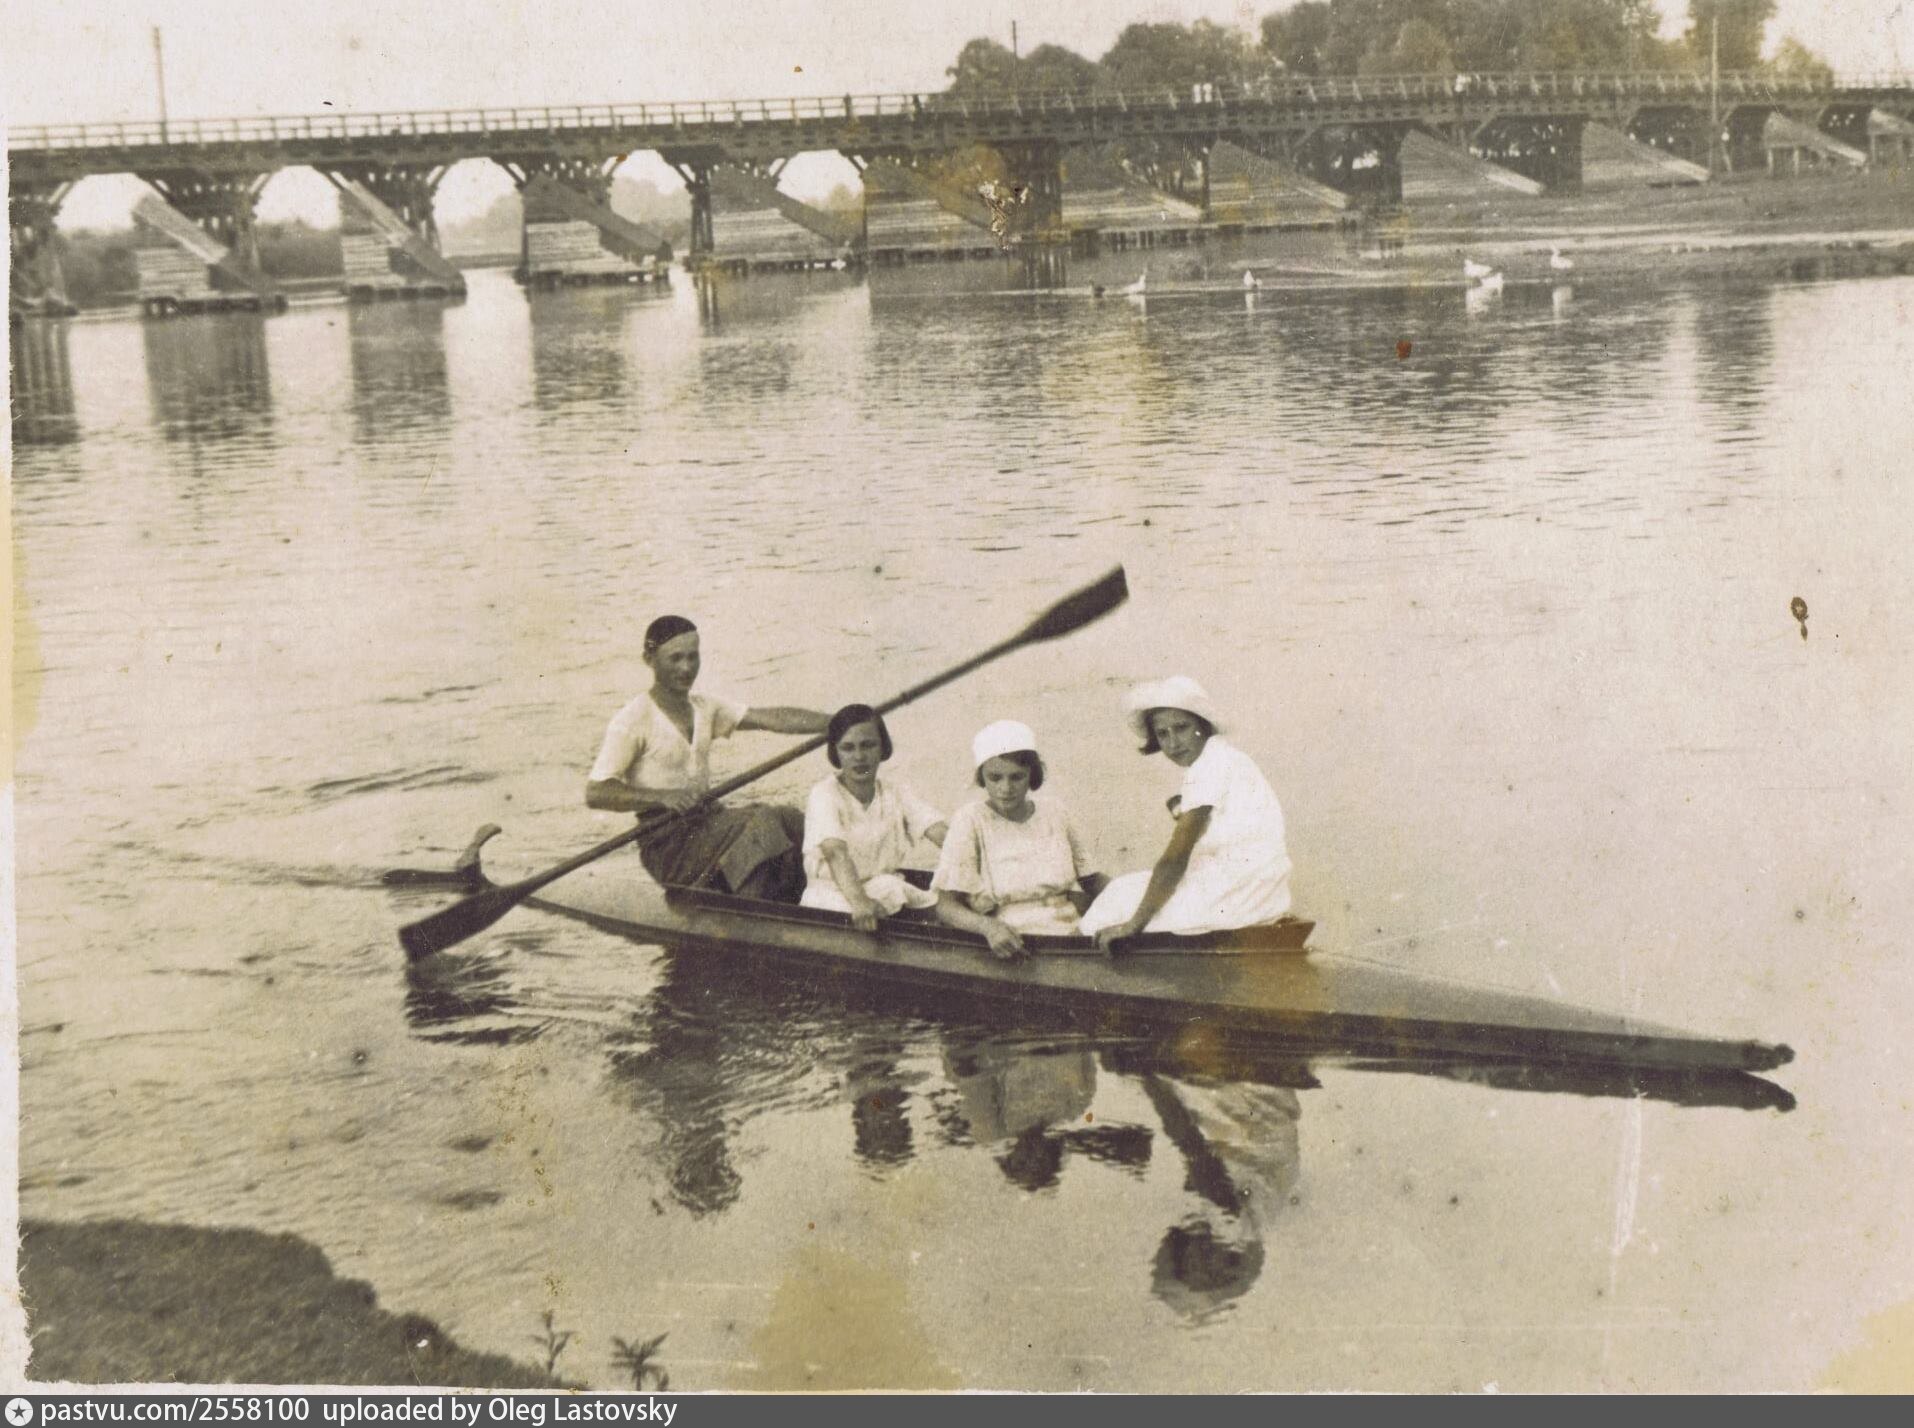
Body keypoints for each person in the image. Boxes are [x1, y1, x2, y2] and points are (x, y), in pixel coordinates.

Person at [585, 614, 827, 902]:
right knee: (761, 821)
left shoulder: (705, 708)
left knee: (788, 818)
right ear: (649, 659)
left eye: (693, 657)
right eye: (675, 658)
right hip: (667, 844)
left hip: (708, 824)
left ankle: (802, 898)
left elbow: (773, 718)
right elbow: (596, 792)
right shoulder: (632, 720)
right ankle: (748, 904)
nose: (686, 668)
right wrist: (662, 797)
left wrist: (838, 722)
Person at [1079, 676, 1293, 948]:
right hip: (1264, 891)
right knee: (1122, 890)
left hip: (1237, 893)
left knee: (1113, 903)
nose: (1173, 743)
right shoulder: (1227, 757)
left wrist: (1132, 926)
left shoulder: (1209, 766)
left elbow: (1176, 857)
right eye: (1162, 734)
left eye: (1181, 728)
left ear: (1203, 725)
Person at [931, 720, 1106, 959]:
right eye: (995, 778)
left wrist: (1132, 899)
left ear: (1032, 775)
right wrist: (988, 928)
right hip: (1013, 941)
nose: (1006, 788)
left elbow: (1092, 879)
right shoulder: (971, 819)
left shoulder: (1055, 811)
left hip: (1072, 932)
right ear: (982, 776)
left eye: (1017, 777)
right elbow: (946, 906)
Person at [800, 704, 949, 931]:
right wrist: (860, 901)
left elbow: (938, 831)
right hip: (834, 896)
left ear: (883, 748)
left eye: (868, 745)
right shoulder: (824, 794)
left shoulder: (895, 791)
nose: (859, 757)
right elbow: (835, 852)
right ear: (836, 753)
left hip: (882, 887)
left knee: (946, 905)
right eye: (848, 748)